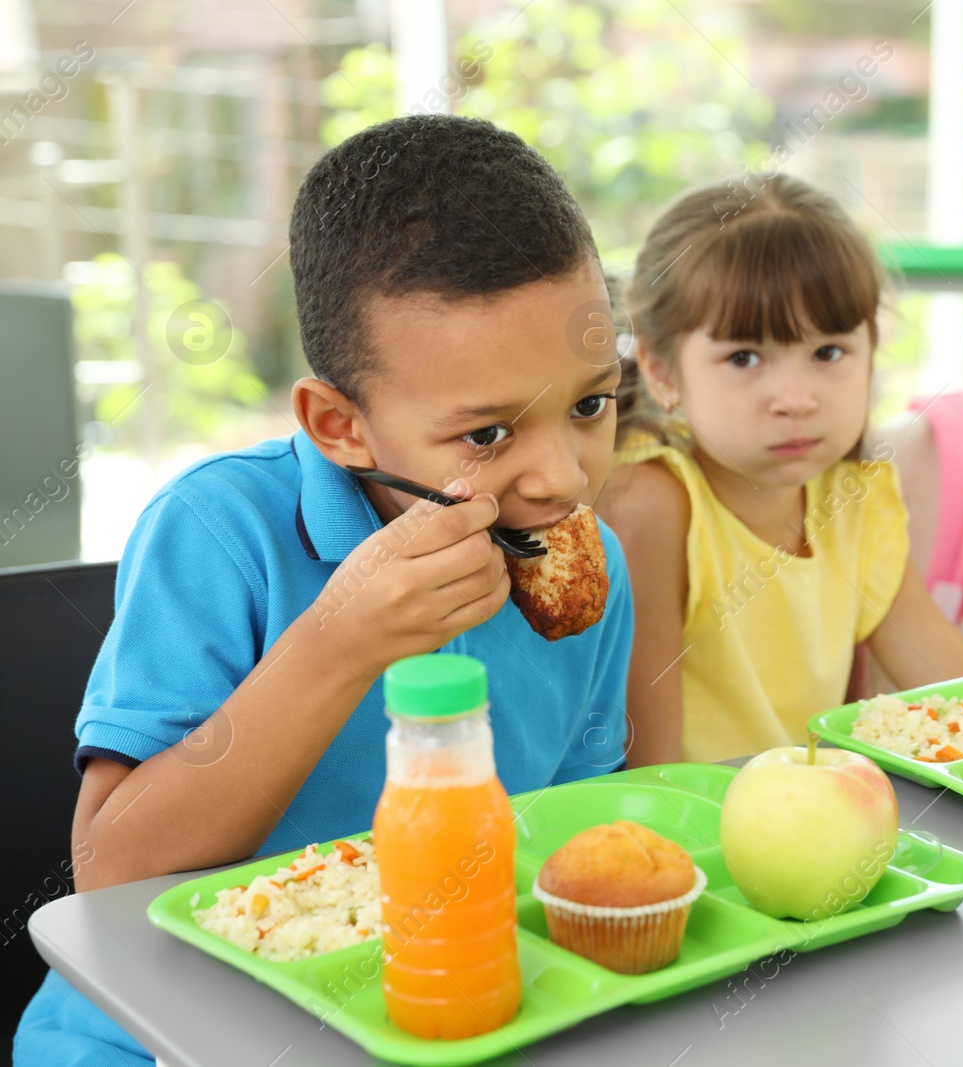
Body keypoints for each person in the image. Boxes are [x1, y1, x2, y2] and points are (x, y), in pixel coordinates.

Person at [15, 114, 635, 1065]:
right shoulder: (219, 534)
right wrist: (339, 642)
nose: (560, 477)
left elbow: (571, 836)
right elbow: (110, 870)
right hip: (154, 1038)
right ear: (339, 424)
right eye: (486, 435)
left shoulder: (595, 571)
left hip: (432, 1022)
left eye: (590, 404)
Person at [596, 174, 963, 765]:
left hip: (821, 832)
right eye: (745, 357)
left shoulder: (855, 496)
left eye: (828, 352)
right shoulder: (649, 503)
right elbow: (654, 774)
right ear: (662, 370)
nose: (795, 397)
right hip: (699, 843)